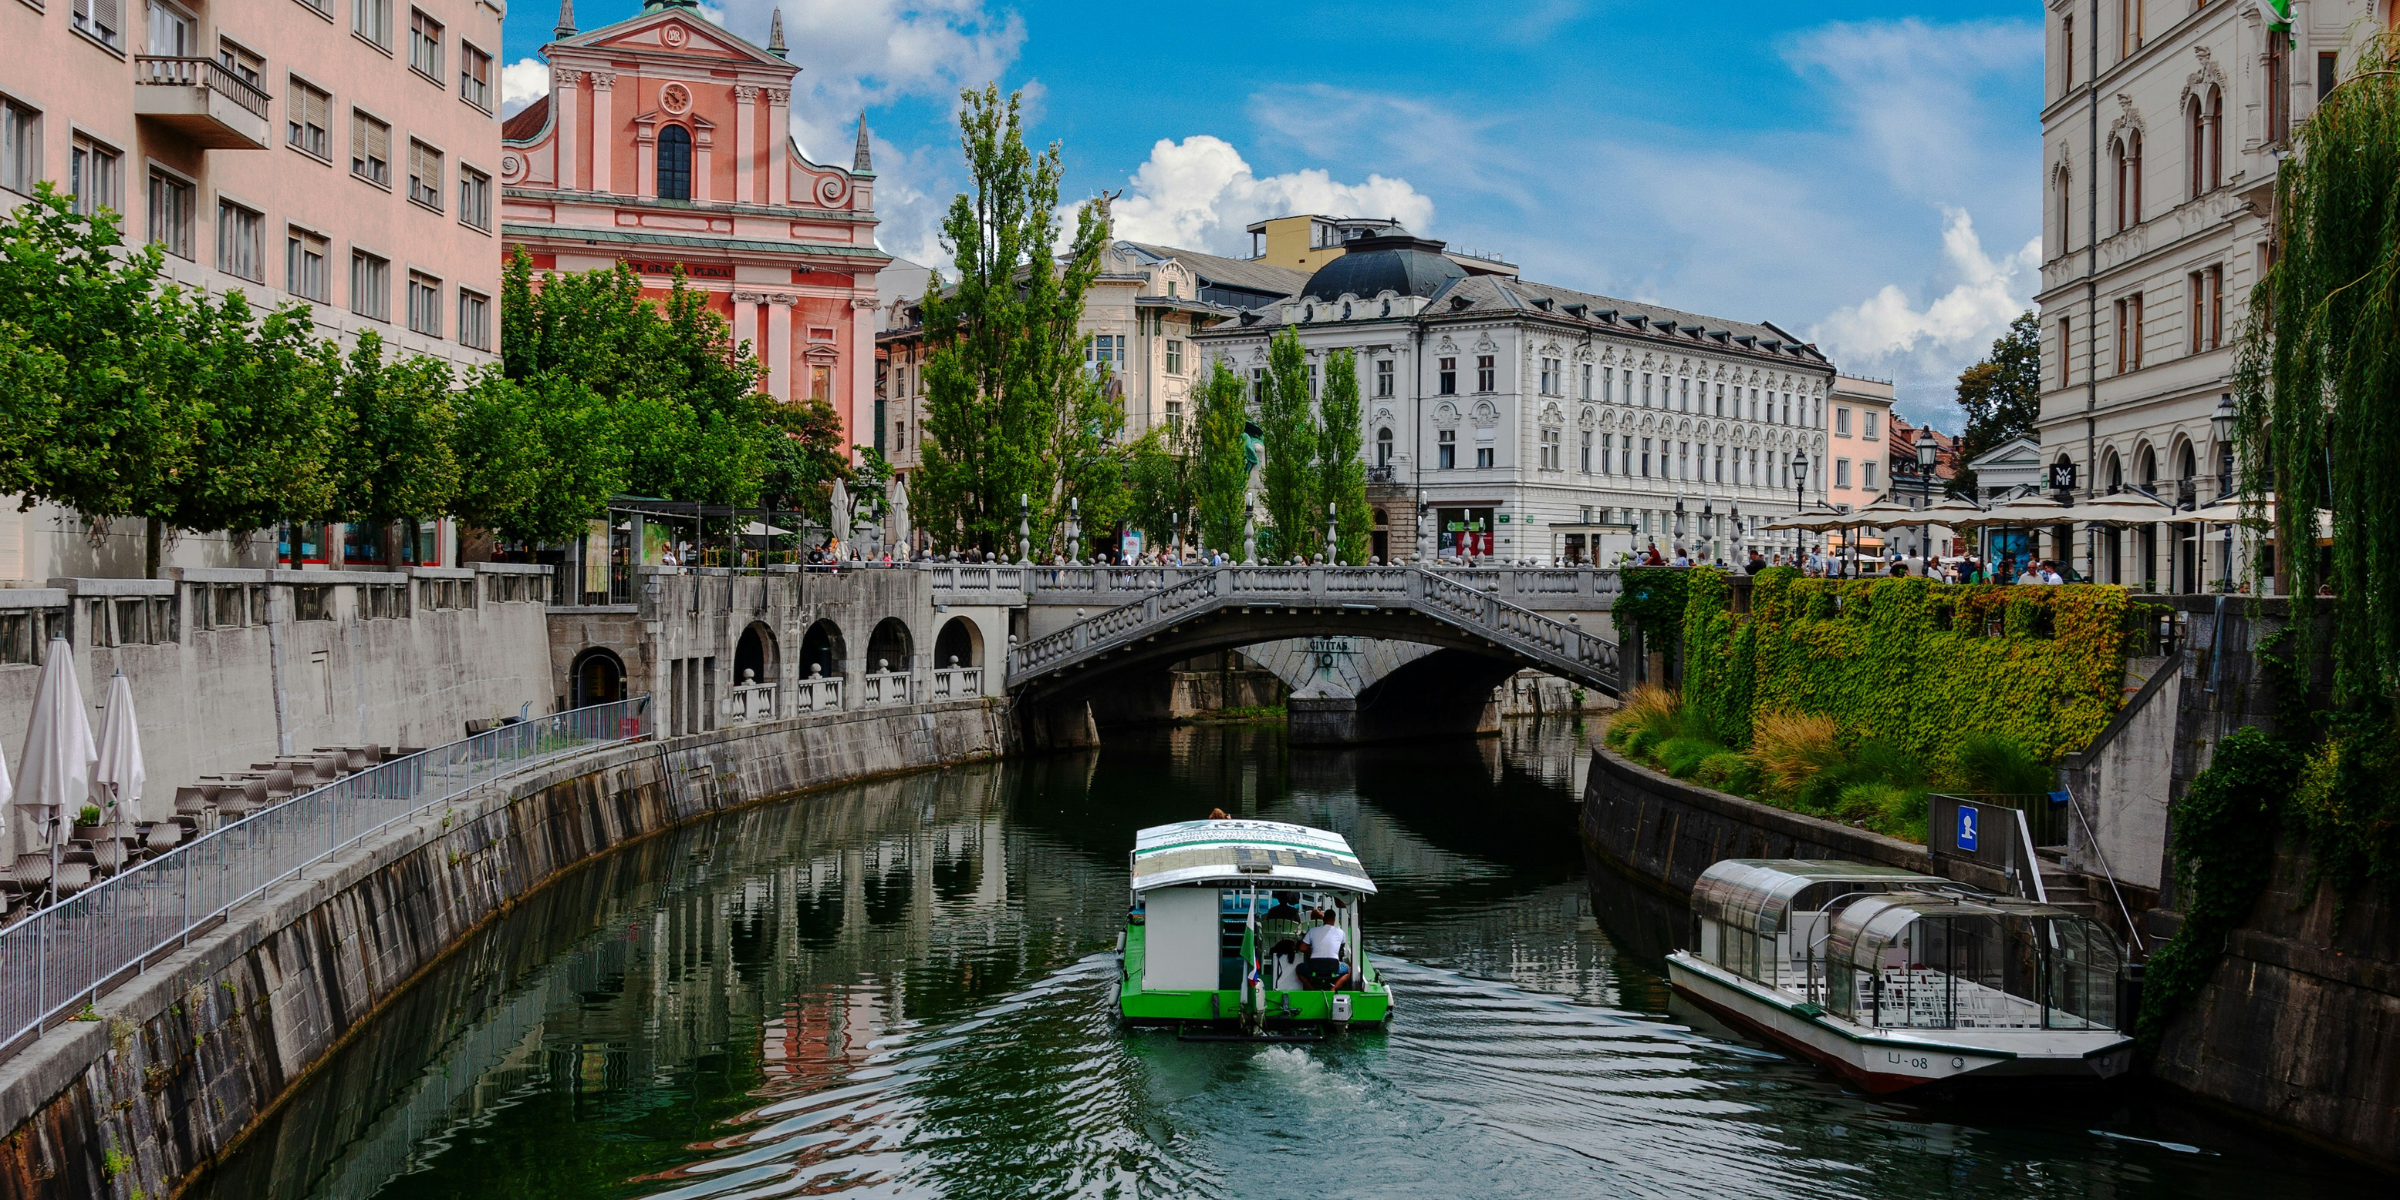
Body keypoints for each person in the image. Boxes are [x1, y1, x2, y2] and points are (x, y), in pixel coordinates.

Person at [1299, 908, 1349, 990]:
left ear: (1323, 919)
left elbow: (1302, 948)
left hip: (1315, 966)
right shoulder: (1341, 933)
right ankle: (1333, 988)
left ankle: (1313, 989)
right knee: (1347, 970)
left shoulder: (1312, 931)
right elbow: (1340, 948)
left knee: (1299, 969)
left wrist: (1311, 950)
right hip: (1333, 966)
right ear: (1334, 919)